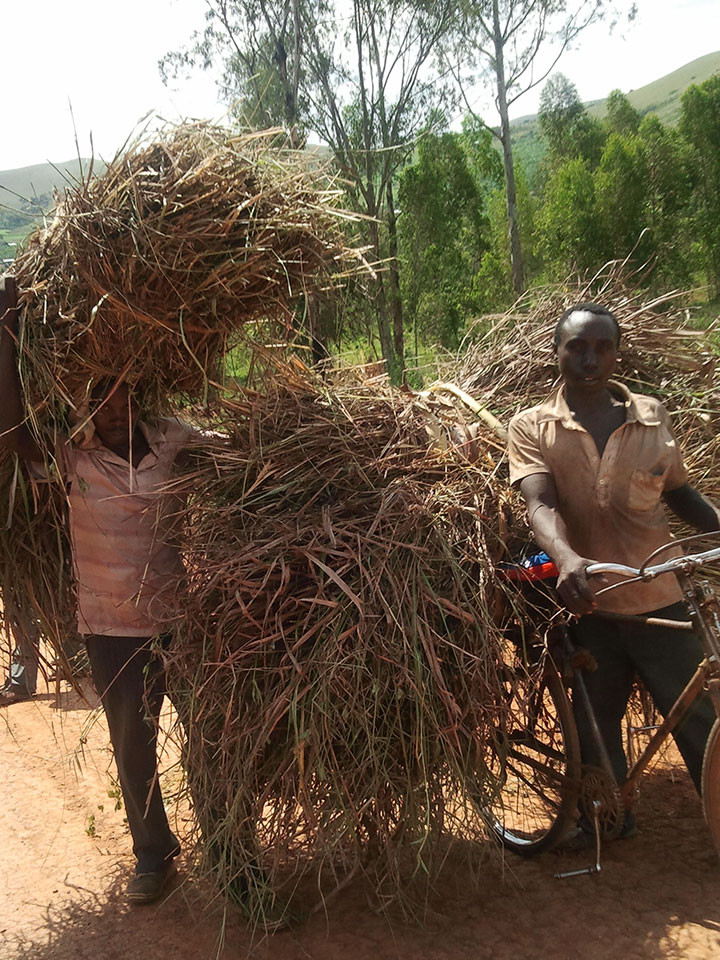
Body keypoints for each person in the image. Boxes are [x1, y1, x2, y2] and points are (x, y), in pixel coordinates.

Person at [0, 274, 192, 903]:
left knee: (211, 734)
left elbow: (244, 462)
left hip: (180, 620)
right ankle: (152, 855)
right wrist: (5, 327)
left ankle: (230, 845)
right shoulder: (73, 459)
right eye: (99, 403)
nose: (111, 412)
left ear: (139, 394)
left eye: (120, 398)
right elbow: (9, 434)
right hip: (110, 632)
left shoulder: (175, 441)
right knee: (133, 746)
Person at [508, 302, 718, 832]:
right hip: (590, 603)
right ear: (556, 352)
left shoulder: (650, 416)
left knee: (697, 716)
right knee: (592, 721)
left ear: (617, 353)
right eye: (576, 346)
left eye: (602, 347)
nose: (589, 358)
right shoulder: (532, 426)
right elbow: (540, 505)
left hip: (657, 597)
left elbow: (679, 493)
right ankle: (605, 816)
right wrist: (566, 558)